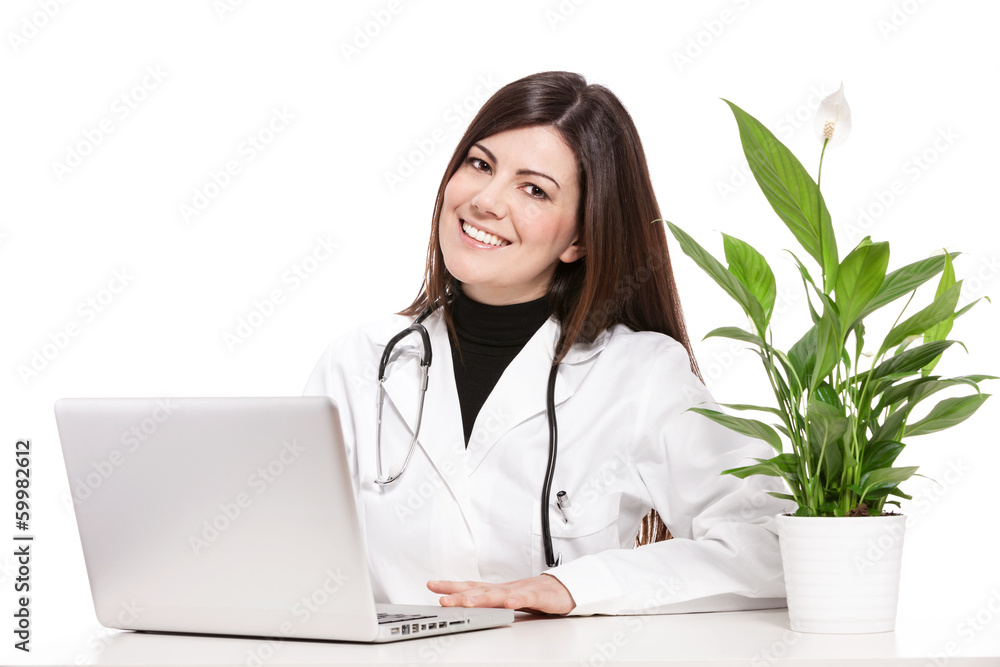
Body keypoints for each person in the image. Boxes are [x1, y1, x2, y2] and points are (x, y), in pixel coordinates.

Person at [303, 71, 788, 616]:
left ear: (580, 237)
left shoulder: (642, 375)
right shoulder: (359, 362)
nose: (486, 200)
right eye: (480, 165)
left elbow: (774, 545)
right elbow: (283, 555)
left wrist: (577, 586)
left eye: (534, 189)